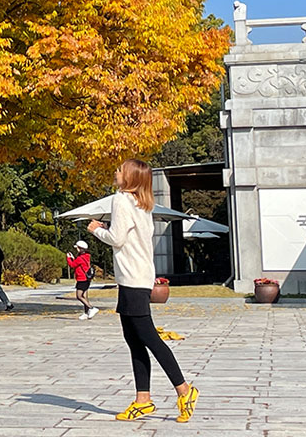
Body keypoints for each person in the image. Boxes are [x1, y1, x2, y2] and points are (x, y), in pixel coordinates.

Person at [89, 159, 199, 423]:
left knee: (149, 338)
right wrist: (108, 230)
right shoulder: (142, 204)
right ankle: (143, 400)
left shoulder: (121, 200)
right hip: (138, 278)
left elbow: (116, 239)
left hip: (132, 279)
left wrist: (96, 230)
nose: (115, 173)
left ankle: (184, 390)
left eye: (119, 170)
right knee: (134, 340)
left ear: (129, 177)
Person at [66, 240, 98, 320]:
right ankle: (86, 313)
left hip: (82, 279)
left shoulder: (80, 258)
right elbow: (78, 264)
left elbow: (72, 265)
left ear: (80, 249)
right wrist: (74, 258)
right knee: (85, 296)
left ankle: (91, 308)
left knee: (79, 296)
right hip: (87, 279)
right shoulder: (86, 256)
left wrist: (68, 258)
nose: (76, 249)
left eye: (77, 248)